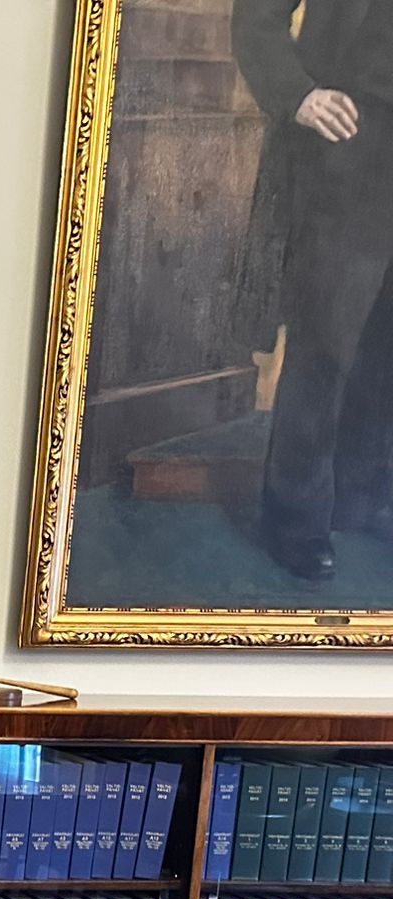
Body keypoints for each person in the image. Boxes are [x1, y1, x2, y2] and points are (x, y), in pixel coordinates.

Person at [234, 0, 393, 580]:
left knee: (387, 343)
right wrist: (296, 93)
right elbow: (256, 16)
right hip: (350, 140)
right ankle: (295, 518)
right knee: (326, 337)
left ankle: (362, 499)